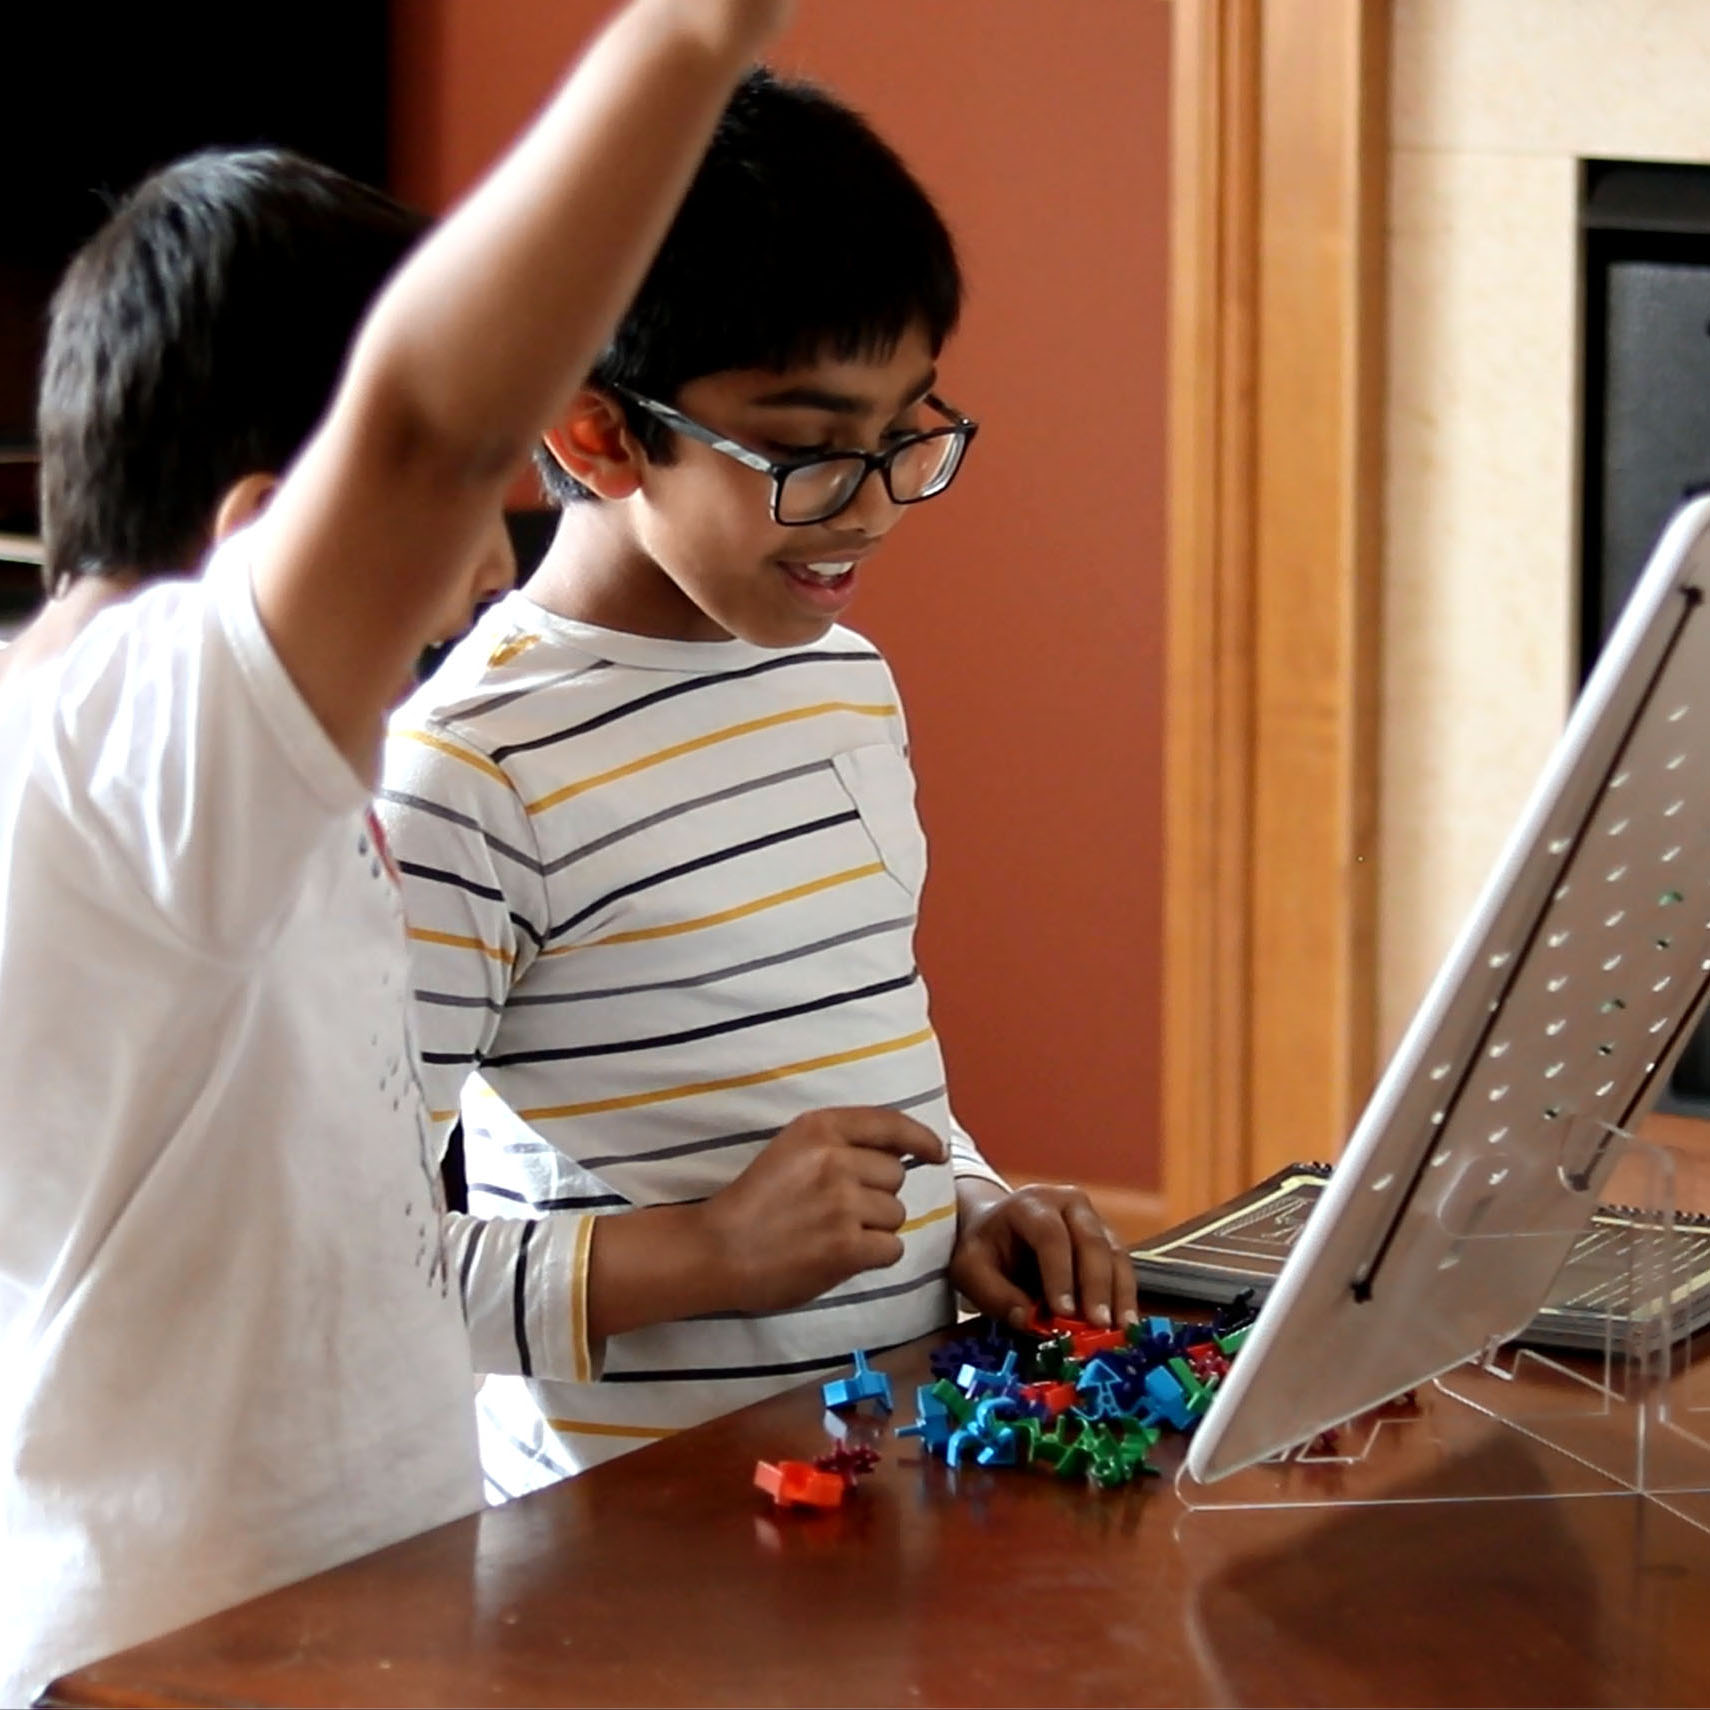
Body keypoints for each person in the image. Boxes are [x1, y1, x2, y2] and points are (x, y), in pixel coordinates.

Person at [0, 3, 794, 1698]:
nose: (479, 595)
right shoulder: (139, 754)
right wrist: (692, 37)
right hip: (178, 1662)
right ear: (262, 537)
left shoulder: (195, 790)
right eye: (441, 549)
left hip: (342, 1632)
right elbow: (431, 419)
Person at [380, 65, 1139, 1500]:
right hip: (623, 1567)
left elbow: (848, 1066)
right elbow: (333, 1272)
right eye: (801, 451)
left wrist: (966, 1204)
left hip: (872, 1508)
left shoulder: (838, 678)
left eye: (904, 432)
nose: (866, 507)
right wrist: (703, 1254)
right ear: (596, 432)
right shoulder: (471, 775)